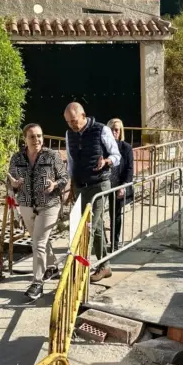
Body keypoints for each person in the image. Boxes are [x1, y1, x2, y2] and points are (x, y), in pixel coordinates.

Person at [8, 123, 69, 301]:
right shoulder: (17, 158)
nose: (37, 140)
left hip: (49, 204)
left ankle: (37, 282)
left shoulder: (52, 155)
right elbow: (10, 180)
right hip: (26, 204)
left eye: (39, 136)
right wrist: (13, 184)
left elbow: (64, 177)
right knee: (39, 239)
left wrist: (55, 184)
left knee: (38, 242)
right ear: (25, 139)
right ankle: (52, 267)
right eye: (32, 136)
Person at [64, 102, 121, 282]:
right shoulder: (69, 134)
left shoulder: (101, 130)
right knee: (93, 227)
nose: (72, 125)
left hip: (99, 184)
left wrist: (106, 162)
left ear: (83, 115)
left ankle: (80, 268)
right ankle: (105, 266)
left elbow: (117, 156)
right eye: (68, 122)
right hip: (81, 184)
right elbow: (71, 161)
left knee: (89, 226)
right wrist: (70, 184)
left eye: (74, 121)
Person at [107, 118, 134, 251]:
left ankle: (114, 242)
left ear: (120, 131)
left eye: (116, 129)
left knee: (116, 214)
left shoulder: (126, 148)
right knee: (98, 215)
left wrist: (124, 186)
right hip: (104, 184)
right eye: (111, 129)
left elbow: (129, 169)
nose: (113, 132)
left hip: (118, 185)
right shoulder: (103, 146)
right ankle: (102, 242)